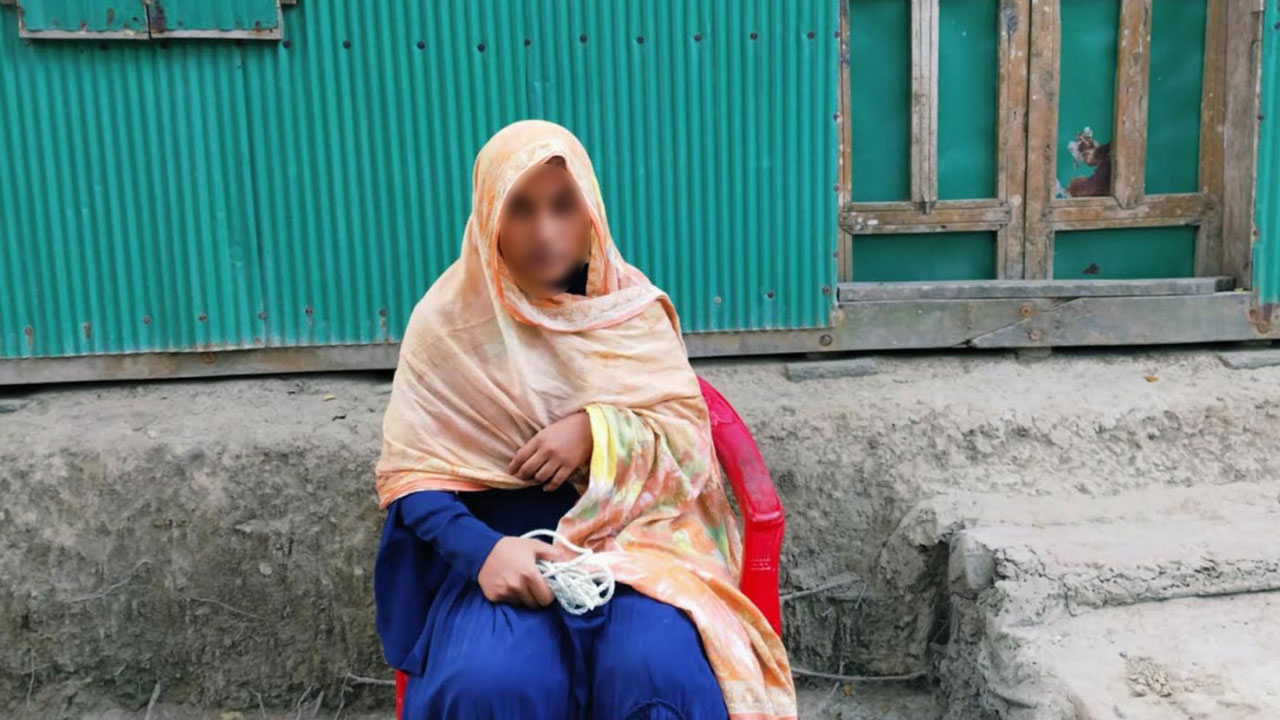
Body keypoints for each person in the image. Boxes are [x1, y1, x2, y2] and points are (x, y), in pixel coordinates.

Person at [373, 119, 796, 720]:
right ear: (490, 216)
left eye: (562, 206)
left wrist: (597, 434)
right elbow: (412, 478)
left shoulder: (629, 312)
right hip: (505, 557)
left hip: (639, 546)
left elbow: (688, 443)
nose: (545, 231)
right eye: (521, 209)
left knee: (658, 676)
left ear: (589, 211)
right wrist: (484, 553)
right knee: (490, 685)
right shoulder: (449, 324)